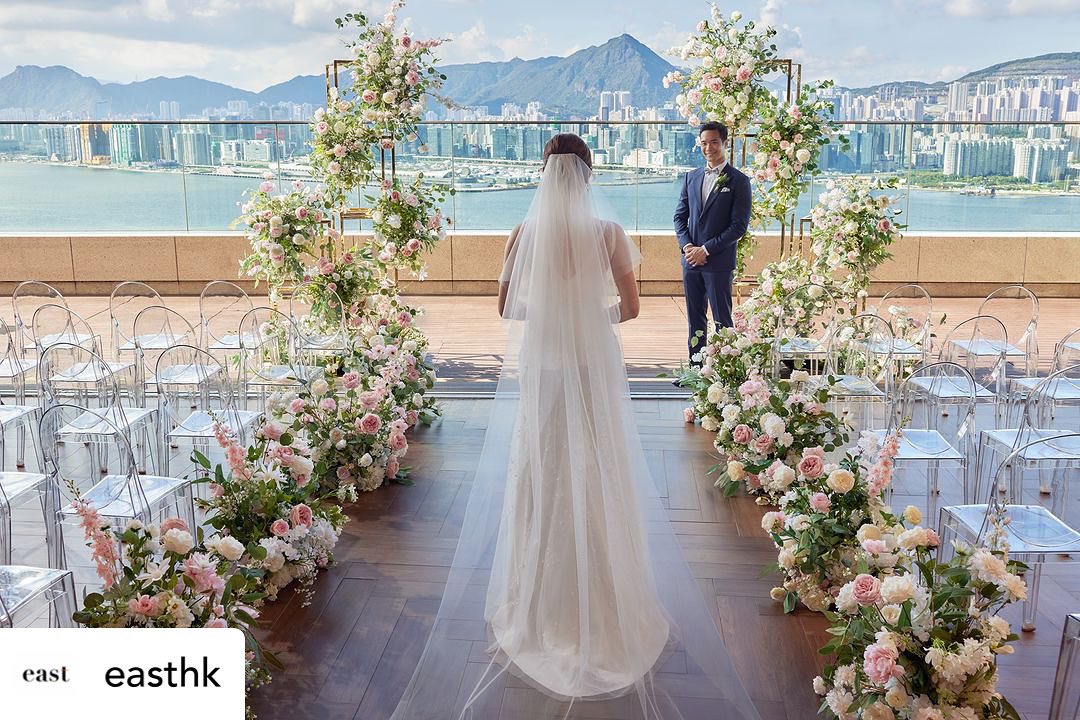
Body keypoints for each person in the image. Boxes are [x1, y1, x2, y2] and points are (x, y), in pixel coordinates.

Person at [390, 134, 760, 720]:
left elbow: (508, 308)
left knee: (545, 463)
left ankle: (541, 604)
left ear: (544, 174)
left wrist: (555, 317)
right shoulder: (608, 233)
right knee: (597, 463)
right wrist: (587, 316)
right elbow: (630, 310)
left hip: (544, 365)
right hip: (591, 363)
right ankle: (604, 600)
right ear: (588, 176)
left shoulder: (523, 233)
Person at [673, 121, 752, 363]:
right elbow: (679, 217)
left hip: (718, 262)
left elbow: (738, 227)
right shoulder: (691, 177)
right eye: (704, 143)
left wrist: (705, 250)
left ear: (725, 143)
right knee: (695, 319)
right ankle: (695, 369)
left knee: (722, 321)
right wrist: (688, 247)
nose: (709, 148)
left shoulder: (739, 181)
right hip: (691, 262)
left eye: (714, 142)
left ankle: (724, 372)